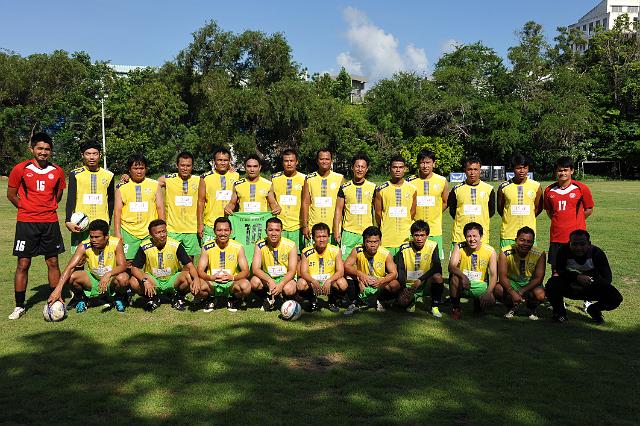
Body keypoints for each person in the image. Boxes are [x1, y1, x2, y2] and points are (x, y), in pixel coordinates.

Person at [7, 132, 66, 319]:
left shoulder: (57, 171)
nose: (43, 152)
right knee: (23, 263)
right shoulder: (20, 168)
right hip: (27, 223)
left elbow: (57, 196)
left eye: (47, 149)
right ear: (31, 149)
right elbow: (11, 194)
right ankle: (19, 305)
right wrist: (27, 208)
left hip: (50, 222)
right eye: (40, 148)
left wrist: (46, 209)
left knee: (53, 261)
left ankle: (55, 300)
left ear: (51, 151)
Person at [48, 220, 129, 312]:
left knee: (124, 278)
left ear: (106, 236)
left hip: (111, 280)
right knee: (72, 277)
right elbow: (70, 267)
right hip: (93, 280)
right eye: (91, 236)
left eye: (97, 237)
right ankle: (82, 298)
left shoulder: (116, 243)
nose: (93, 240)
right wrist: (58, 289)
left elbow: (123, 266)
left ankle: (118, 298)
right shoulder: (84, 245)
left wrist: (108, 274)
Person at [546, 230, 622, 324]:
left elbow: (607, 278)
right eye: (574, 244)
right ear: (569, 243)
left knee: (616, 297)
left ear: (589, 244)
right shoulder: (563, 251)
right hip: (571, 286)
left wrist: (590, 284)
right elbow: (560, 271)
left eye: (582, 244)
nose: (578, 248)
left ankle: (594, 309)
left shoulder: (597, 253)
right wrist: (577, 278)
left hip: (591, 287)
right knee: (552, 284)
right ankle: (559, 313)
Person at [129, 220, 203, 311]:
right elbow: (134, 268)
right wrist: (145, 281)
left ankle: (177, 297)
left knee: (189, 276)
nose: (162, 235)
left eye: (164, 231)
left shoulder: (175, 245)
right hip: (153, 280)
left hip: (172, 280)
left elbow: (190, 265)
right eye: (158, 233)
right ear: (151, 235)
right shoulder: (144, 246)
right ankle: (152, 298)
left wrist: (196, 278)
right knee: (134, 281)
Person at [543, 157, 594, 271]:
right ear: (556, 171)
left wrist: (576, 221)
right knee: (556, 271)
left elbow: (589, 209)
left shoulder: (581, 188)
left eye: (566, 170)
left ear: (572, 171)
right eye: (560, 170)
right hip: (556, 238)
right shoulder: (549, 190)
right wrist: (559, 221)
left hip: (577, 238)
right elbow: (549, 211)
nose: (563, 173)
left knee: (579, 270)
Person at [65, 141, 115, 251]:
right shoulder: (75, 174)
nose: (91, 157)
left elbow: (111, 200)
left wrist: (109, 221)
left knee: (101, 257)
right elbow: (70, 199)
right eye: (88, 154)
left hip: (101, 223)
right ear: (82, 155)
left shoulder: (109, 175)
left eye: (95, 154)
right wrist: (68, 220)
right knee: (80, 258)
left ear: (100, 155)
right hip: (80, 223)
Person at [113, 154, 161, 264]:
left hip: (149, 232)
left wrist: (161, 229)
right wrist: (117, 233)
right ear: (129, 170)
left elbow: (160, 208)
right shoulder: (121, 187)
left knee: (152, 262)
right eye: (135, 168)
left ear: (146, 169)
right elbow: (117, 212)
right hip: (128, 231)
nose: (139, 171)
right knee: (128, 263)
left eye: (141, 168)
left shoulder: (154, 185)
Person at [197, 217, 251, 312]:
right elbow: (200, 270)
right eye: (219, 230)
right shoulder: (206, 247)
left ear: (231, 231)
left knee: (246, 286)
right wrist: (211, 277)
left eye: (226, 230)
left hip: (231, 283)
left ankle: (233, 299)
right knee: (197, 286)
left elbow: (246, 271)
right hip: (212, 283)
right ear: (214, 231)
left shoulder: (238, 247)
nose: (223, 233)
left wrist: (232, 278)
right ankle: (210, 299)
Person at [343, 226, 400, 315]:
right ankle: (354, 302)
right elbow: (346, 266)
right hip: (362, 280)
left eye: (375, 242)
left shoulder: (386, 253)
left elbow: (394, 273)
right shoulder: (357, 250)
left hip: (378, 282)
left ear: (380, 242)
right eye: (369, 242)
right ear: (364, 242)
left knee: (395, 285)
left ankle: (381, 300)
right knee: (348, 275)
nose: (372, 245)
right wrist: (360, 274)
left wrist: (381, 281)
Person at [394, 220, 444, 317]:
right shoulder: (404, 248)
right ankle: (410, 300)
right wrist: (404, 288)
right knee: (401, 302)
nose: (419, 239)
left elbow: (437, 266)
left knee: (438, 277)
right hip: (408, 283)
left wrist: (420, 280)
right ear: (412, 236)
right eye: (416, 235)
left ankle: (435, 306)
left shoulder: (433, 245)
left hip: (424, 281)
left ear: (427, 236)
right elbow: (400, 269)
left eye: (422, 235)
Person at [448, 222, 498, 320]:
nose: (472, 239)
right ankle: (456, 308)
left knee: (491, 301)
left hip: (480, 285)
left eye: (475, 236)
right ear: (465, 237)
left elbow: (493, 275)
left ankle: (478, 303)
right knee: (454, 279)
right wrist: (463, 277)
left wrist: (488, 292)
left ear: (481, 237)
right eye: (469, 236)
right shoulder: (459, 246)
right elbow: (451, 267)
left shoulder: (490, 251)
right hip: (463, 284)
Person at [495, 226, 546, 320]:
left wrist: (521, 291)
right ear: (516, 240)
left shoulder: (540, 254)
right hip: (512, 282)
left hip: (529, 283)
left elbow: (539, 278)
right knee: (498, 289)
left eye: (529, 241)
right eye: (522, 240)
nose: (525, 244)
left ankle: (531, 308)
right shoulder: (505, 252)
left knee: (540, 294)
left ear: (533, 242)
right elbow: (502, 277)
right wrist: (512, 292)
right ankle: (511, 307)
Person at [157, 151, 201, 259]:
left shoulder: (199, 180)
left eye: (188, 166)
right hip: (172, 229)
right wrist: (128, 178)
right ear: (177, 165)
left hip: (191, 229)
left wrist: (230, 170)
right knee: (171, 259)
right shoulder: (168, 179)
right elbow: (148, 183)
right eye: (182, 165)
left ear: (192, 166)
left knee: (189, 261)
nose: (185, 168)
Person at [406, 149, 449, 260]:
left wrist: (435, 213)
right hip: (415, 229)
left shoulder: (442, 181)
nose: (425, 166)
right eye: (422, 163)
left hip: (435, 229)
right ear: (418, 164)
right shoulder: (409, 182)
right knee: (414, 260)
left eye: (428, 162)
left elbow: (445, 202)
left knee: (435, 261)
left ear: (433, 164)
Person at [333, 152, 377, 260]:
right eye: (357, 166)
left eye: (363, 167)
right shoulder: (344, 187)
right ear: (352, 167)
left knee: (364, 262)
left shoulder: (373, 187)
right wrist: (336, 230)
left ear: (367, 169)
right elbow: (338, 210)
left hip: (366, 233)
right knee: (345, 262)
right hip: (349, 233)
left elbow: (378, 211)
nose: (360, 169)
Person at [297, 222, 348, 312]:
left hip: (329, 280)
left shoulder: (336, 250)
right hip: (313, 281)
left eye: (324, 236)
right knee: (301, 284)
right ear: (313, 238)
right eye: (318, 237)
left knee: (342, 284)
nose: (321, 240)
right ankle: (312, 300)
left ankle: (332, 301)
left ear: (328, 237)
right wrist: (313, 281)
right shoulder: (306, 252)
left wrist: (329, 280)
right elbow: (303, 272)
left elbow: (340, 271)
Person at [250, 217, 298, 311]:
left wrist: (281, 284)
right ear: (266, 231)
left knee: (289, 289)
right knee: (254, 282)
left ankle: (284, 300)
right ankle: (266, 297)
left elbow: (292, 270)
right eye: (270, 230)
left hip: (285, 277)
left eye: (277, 230)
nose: (273, 233)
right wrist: (269, 281)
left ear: (281, 231)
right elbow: (255, 269)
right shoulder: (259, 245)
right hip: (268, 277)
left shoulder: (291, 245)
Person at [497, 153, 542, 248]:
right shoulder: (503, 187)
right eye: (518, 168)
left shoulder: (536, 186)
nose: (522, 171)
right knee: (506, 258)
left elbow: (538, 208)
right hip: (508, 234)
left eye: (525, 168)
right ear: (513, 168)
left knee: (530, 258)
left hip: (529, 235)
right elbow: (501, 209)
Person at [374, 156, 417, 256]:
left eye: (401, 167)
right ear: (390, 168)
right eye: (395, 167)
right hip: (387, 239)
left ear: (405, 169)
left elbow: (412, 212)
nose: (398, 170)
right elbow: (378, 214)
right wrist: (385, 225)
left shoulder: (412, 189)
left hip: (406, 239)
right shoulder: (381, 189)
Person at [448, 157, 495, 247]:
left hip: (482, 236)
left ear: (480, 171)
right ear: (465, 171)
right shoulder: (456, 189)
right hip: (460, 236)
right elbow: (452, 211)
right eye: (469, 169)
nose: (472, 172)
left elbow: (491, 211)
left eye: (475, 169)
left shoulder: (488, 189)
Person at [198, 147, 240, 245]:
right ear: (214, 161)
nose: (222, 163)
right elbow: (200, 201)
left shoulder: (236, 176)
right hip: (210, 225)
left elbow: (239, 198)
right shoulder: (205, 177)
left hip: (230, 224)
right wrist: (200, 224)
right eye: (219, 160)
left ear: (230, 161)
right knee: (209, 252)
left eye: (225, 160)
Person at [301, 148, 344, 243]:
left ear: (331, 161)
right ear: (317, 161)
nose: (324, 161)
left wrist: (340, 228)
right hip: (313, 229)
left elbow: (343, 206)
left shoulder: (339, 178)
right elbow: (305, 203)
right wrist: (305, 225)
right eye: (321, 159)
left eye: (327, 159)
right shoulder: (309, 178)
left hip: (333, 229)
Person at [271, 149, 306, 251]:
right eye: (286, 161)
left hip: (297, 226)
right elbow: (269, 196)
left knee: (298, 256)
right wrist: (274, 204)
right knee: (278, 254)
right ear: (282, 162)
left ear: (296, 162)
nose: (289, 164)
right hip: (279, 226)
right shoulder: (274, 178)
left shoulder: (304, 179)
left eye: (292, 161)